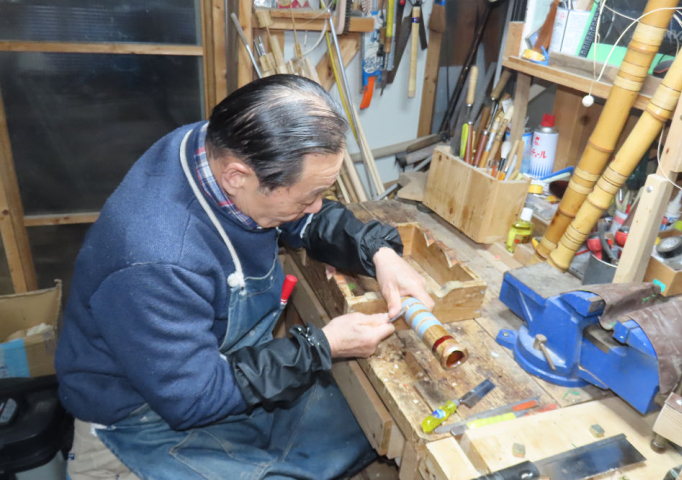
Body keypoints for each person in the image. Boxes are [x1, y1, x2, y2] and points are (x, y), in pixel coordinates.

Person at [56, 75, 435, 480]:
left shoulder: (221, 148)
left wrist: (376, 252)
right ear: (237, 177)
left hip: (209, 365)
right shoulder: (158, 261)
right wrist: (322, 345)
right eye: (309, 196)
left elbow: (298, 218)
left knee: (353, 426)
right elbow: (194, 399)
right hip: (142, 415)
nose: (316, 206)